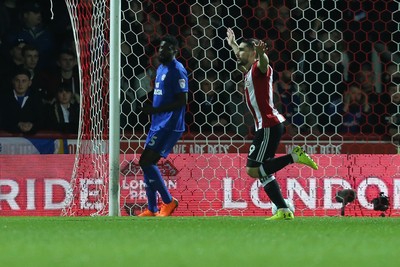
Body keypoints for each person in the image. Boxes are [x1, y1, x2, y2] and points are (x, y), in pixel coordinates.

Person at [225, 28, 318, 220]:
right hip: (266, 125)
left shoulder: (261, 67)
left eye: (243, 50)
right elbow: (242, 58)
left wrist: (261, 53)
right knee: (264, 171)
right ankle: (283, 210)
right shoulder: (249, 70)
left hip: (268, 125)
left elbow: (264, 62)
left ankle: (294, 156)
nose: (238, 53)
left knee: (252, 170)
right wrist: (233, 44)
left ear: (252, 53)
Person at [138, 35, 188, 217]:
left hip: (170, 124)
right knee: (146, 163)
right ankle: (152, 209)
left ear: (175, 50)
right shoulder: (160, 68)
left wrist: (154, 109)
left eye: (166, 48)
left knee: (146, 161)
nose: (161, 51)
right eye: (160, 48)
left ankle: (168, 201)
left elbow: (182, 101)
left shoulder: (177, 70)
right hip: (157, 123)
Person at [0, 66, 44, 134]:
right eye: (17, 80)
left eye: (24, 81)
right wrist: (18, 124)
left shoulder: (36, 98)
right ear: (13, 81)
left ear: (29, 83)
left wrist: (32, 125)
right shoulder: (3, 98)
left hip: (31, 140)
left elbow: (43, 120)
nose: (20, 84)